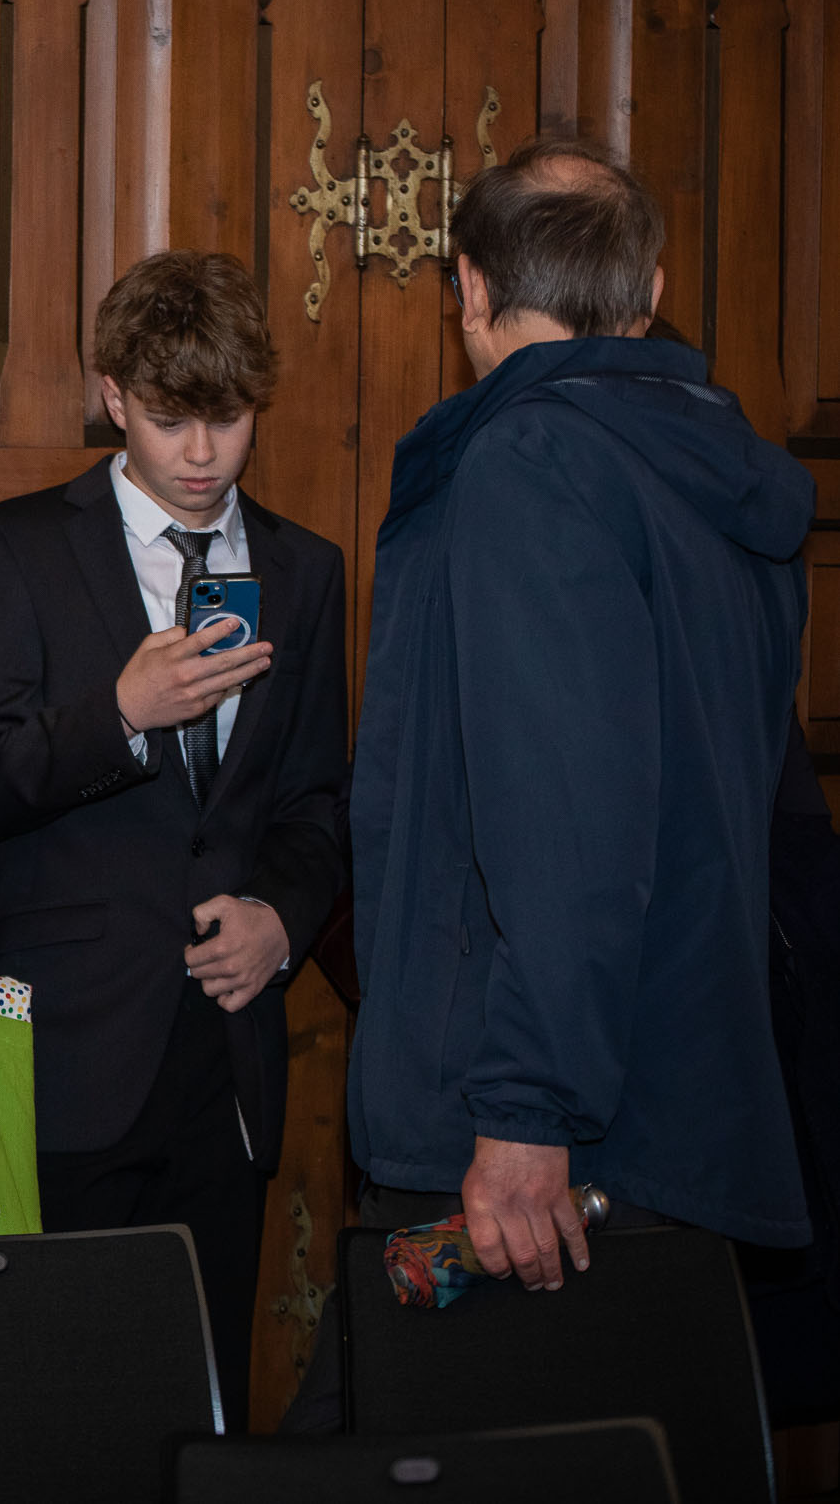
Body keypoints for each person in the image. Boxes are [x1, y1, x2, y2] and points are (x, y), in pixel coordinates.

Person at [347, 135, 812, 1285]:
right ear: (648, 293)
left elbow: (569, 822)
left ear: (468, 288)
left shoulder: (533, 457)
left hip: (531, 1132)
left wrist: (524, 1108)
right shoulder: (714, 469)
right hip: (681, 1097)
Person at [0, 250, 350, 1431]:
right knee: (47, 1406)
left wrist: (280, 918)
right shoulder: (17, 545)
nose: (203, 452)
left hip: (227, 1055)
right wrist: (118, 713)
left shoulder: (304, 569)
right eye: (172, 419)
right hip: (59, 1046)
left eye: (229, 417)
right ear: (113, 395)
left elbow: (319, 801)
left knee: (199, 1402)